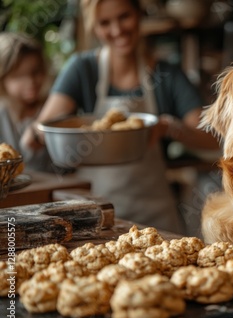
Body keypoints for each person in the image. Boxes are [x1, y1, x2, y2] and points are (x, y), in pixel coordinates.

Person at [22, 0, 220, 233]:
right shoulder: (82, 70)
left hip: (154, 217)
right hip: (94, 214)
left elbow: (212, 138)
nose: (117, 30)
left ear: (139, 14)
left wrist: (170, 127)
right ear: (94, 28)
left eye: (124, 16)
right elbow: (44, 127)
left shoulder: (165, 75)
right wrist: (33, 135)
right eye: (105, 22)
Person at [0, 32, 54, 172]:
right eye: (19, 76)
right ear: (3, 79)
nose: (31, 82)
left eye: (36, 72)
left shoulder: (53, 108)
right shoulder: (2, 115)